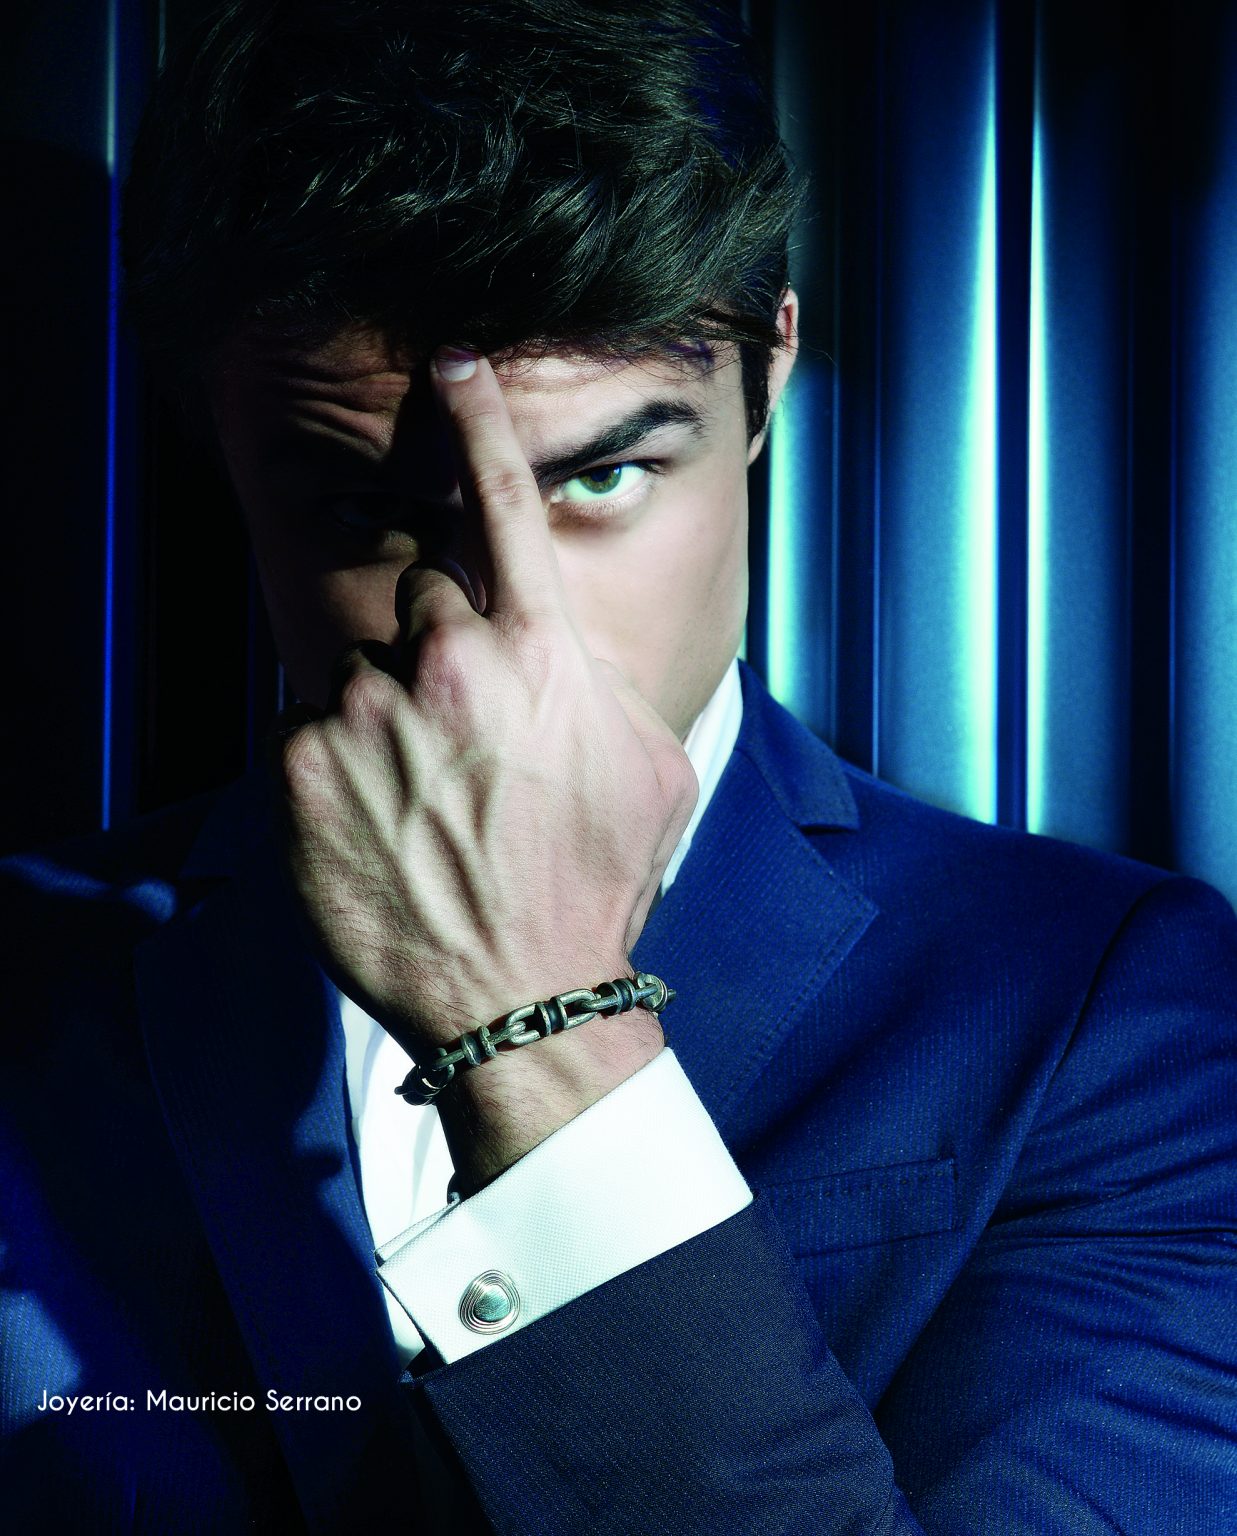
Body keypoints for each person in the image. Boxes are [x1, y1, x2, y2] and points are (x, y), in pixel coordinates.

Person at [2, 1, 1235, 1531]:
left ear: (766, 379)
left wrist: (535, 1034)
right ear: (221, 454)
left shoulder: (1104, 1010)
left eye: (601, 475)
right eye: (361, 510)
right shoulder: (25, 979)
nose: (496, 621)